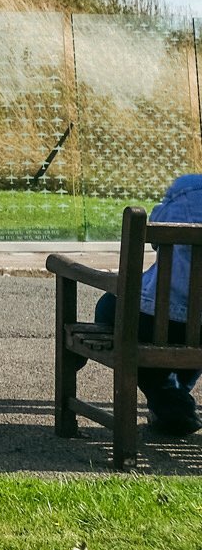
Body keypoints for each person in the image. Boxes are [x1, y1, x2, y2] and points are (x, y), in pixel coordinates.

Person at [95, 172, 201, 436]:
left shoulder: (189, 189)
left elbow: (156, 233)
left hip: (157, 319)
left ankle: (170, 401)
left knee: (109, 307)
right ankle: (172, 402)